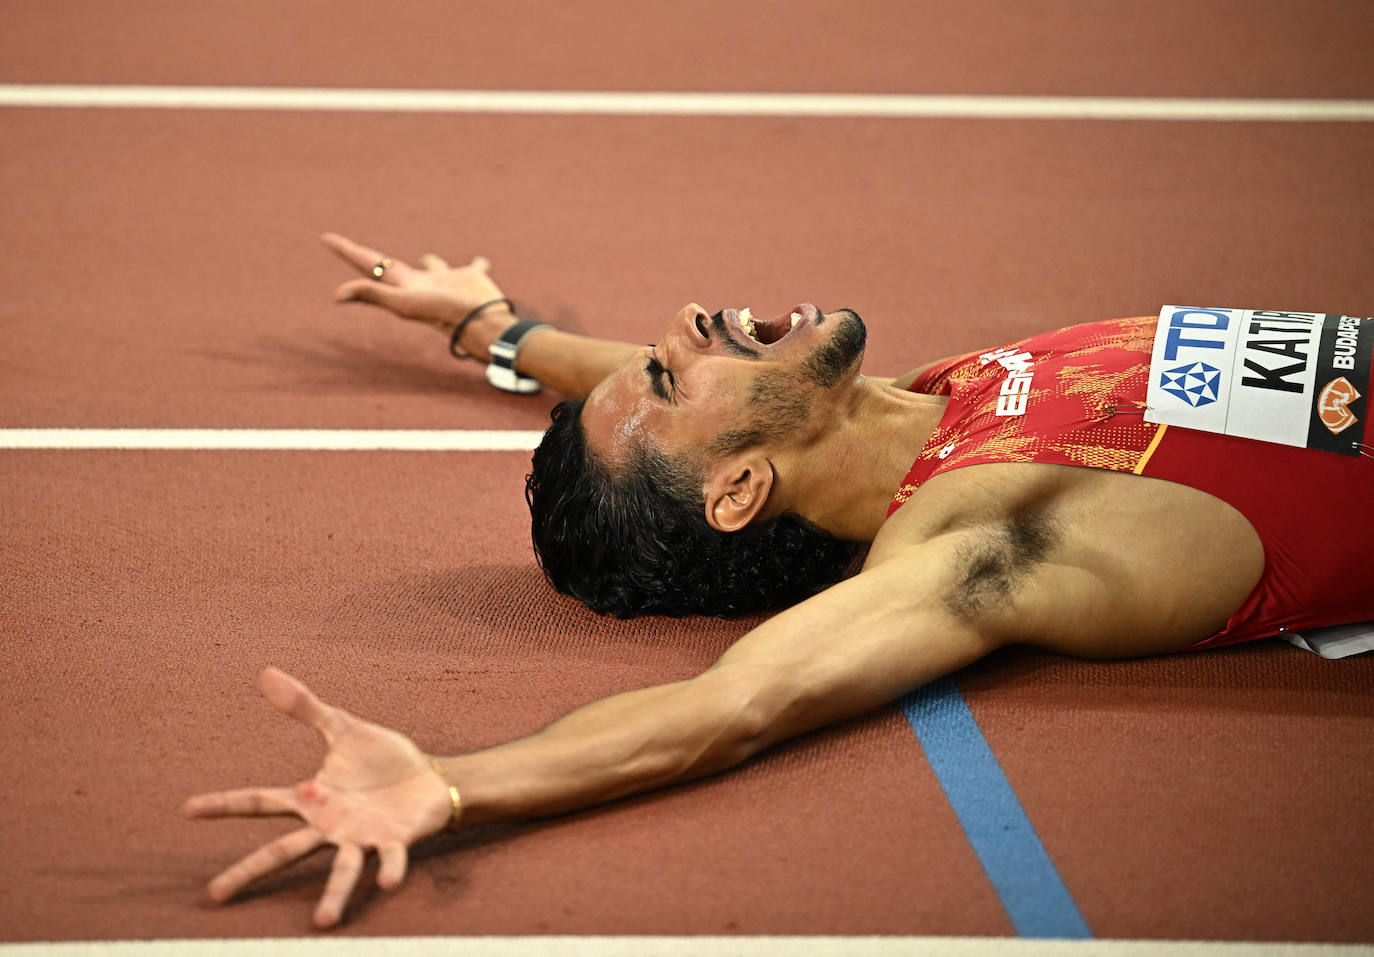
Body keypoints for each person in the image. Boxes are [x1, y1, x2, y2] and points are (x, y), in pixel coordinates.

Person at [184, 234, 1373, 928]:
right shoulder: (983, 535)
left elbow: (661, 409)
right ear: (744, 489)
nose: (690, 320)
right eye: (668, 371)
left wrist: (494, 329)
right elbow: (735, 704)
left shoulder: (930, 405)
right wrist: (452, 784)